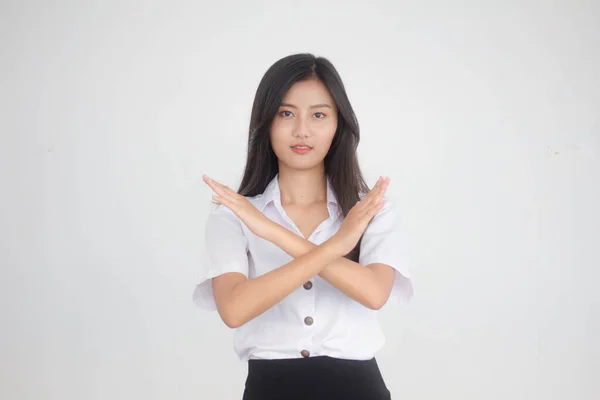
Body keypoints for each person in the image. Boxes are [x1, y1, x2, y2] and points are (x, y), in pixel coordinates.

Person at [193, 53, 413, 400]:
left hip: (358, 389)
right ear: (266, 122)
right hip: (270, 388)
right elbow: (234, 310)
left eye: (319, 115)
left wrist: (274, 233)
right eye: (286, 113)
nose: (301, 130)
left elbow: (374, 294)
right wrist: (334, 247)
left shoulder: (368, 210)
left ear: (338, 125)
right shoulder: (234, 214)